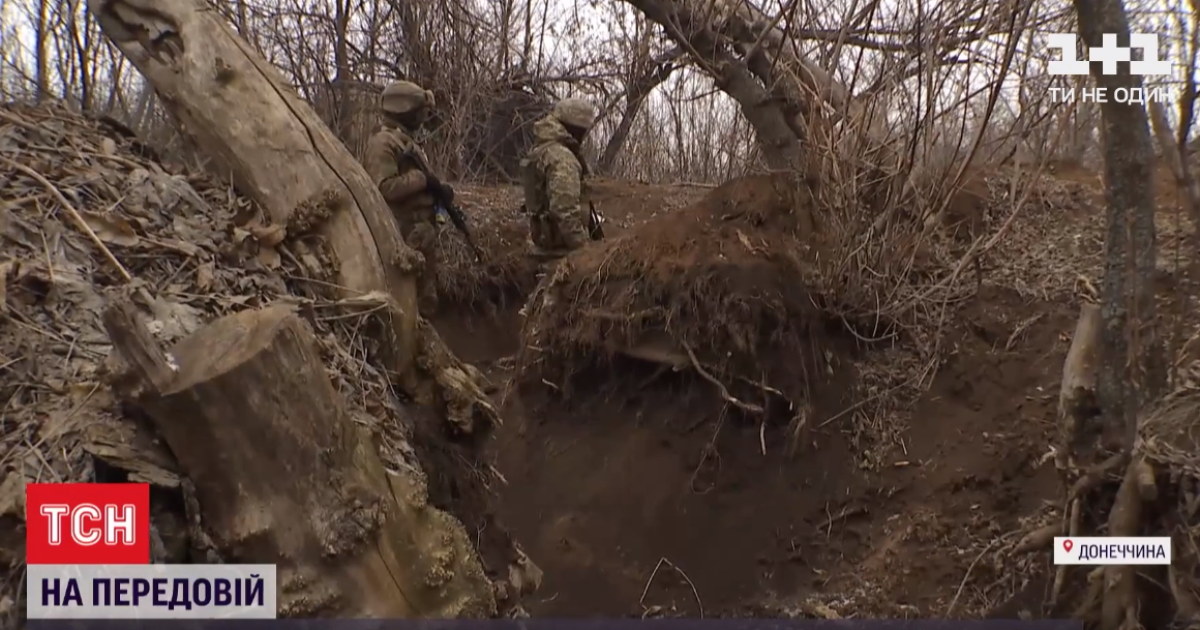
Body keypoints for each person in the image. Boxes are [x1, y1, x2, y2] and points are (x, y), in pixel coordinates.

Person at [363, 80, 454, 313]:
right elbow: (383, 188)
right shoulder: (383, 143)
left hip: (420, 235)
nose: (422, 118)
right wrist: (422, 180)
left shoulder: (405, 141)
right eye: (419, 112)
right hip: (402, 236)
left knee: (426, 301)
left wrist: (439, 192)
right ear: (406, 111)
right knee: (411, 304)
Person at [520, 97, 598, 259]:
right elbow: (564, 210)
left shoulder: (544, 148)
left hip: (545, 238)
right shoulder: (562, 159)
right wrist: (585, 249)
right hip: (561, 248)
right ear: (576, 128)